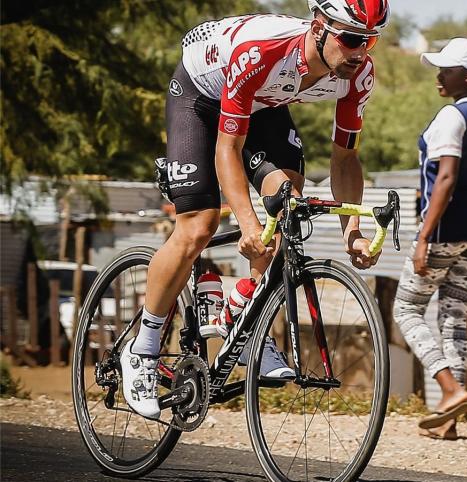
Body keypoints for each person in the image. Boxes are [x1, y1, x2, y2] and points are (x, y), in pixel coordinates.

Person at [121, 0, 390, 420]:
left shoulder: (358, 74)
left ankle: (242, 316)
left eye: (369, 41)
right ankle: (143, 348)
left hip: (263, 103)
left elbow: (345, 158)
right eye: (352, 39)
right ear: (318, 26)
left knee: (288, 206)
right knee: (199, 226)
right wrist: (247, 224)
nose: (360, 52)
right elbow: (227, 148)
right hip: (200, 95)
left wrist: (351, 230)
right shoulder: (263, 52)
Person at [392, 38, 467, 440]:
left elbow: (446, 178)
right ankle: (449, 420)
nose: (439, 76)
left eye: (447, 70)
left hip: (445, 229)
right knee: (453, 318)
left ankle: (449, 388)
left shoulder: (452, 116)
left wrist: (423, 237)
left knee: (406, 309)